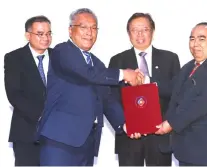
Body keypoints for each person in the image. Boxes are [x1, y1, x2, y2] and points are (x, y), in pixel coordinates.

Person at [37, 8, 143, 166]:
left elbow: (107, 99)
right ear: (70, 30)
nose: (89, 32)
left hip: (87, 143)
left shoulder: (97, 63)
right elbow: (85, 73)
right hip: (60, 141)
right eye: (83, 27)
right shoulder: (62, 51)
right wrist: (124, 74)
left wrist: (126, 124)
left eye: (94, 28)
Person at [108, 13, 180, 166]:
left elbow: (177, 94)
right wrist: (124, 124)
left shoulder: (170, 59)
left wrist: (170, 123)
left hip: (161, 136)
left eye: (145, 29)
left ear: (152, 32)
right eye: (135, 30)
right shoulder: (117, 61)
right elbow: (111, 98)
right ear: (129, 34)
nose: (140, 34)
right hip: (130, 137)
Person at [156, 22, 207, 166]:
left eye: (201, 39)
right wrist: (145, 81)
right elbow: (171, 87)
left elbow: (199, 106)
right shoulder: (190, 66)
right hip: (187, 152)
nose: (195, 43)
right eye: (192, 39)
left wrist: (171, 124)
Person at [4, 15, 52, 166]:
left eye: (49, 33)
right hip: (27, 133)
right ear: (28, 35)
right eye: (40, 34)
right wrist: (42, 115)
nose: (45, 38)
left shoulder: (58, 57)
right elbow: (14, 94)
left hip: (57, 136)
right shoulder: (14, 58)